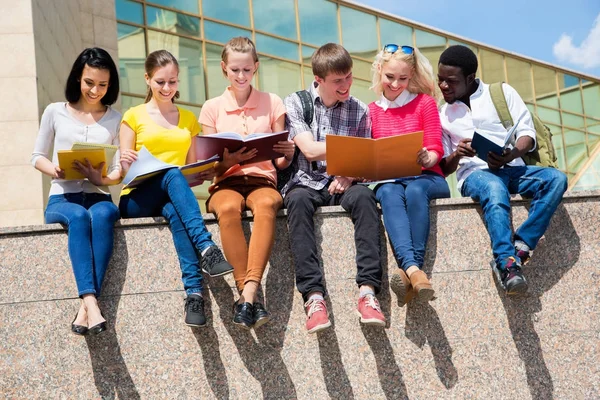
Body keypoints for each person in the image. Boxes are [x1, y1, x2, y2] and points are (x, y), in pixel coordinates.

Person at [437, 45, 568, 295]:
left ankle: (521, 245)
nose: (444, 86)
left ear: (469, 78)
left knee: (556, 179)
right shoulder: (443, 114)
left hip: (513, 168)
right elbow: (443, 168)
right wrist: (457, 154)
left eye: (450, 81)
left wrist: (512, 154)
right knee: (495, 188)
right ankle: (507, 265)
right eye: (440, 79)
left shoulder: (501, 92)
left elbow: (527, 135)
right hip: (475, 175)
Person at [119, 49, 233, 327]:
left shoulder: (188, 120)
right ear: (147, 79)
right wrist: (125, 159)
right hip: (137, 198)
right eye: (160, 82)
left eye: (172, 81)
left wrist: (205, 172)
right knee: (170, 173)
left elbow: (189, 173)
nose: (167, 88)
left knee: (176, 210)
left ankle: (194, 295)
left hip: (173, 196)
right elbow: (124, 172)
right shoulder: (132, 116)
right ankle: (207, 247)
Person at [282, 43, 385, 333]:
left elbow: (366, 163)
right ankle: (314, 298)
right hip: (305, 182)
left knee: (365, 198)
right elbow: (310, 150)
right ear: (319, 80)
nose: (346, 85)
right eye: (338, 81)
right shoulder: (296, 102)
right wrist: (349, 152)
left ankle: (368, 292)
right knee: (297, 202)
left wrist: (351, 175)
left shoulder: (360, 110)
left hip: (343, 183)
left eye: (349, 77)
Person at [199, 37, 294, 330]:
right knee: (227, 209)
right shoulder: (211, 107)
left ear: (256, 67)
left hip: (262, 180)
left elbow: (279, 162)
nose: (241, 77)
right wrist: (230, 161)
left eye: (247, 70)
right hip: (226, 182)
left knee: (267, 204)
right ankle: (250, 294)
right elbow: (209, 169)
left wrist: (287, 155)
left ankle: (247, 295)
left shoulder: (273, 102)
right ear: (224, 68)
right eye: (235, 70)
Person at [31, 48, 122, 336]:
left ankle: (86, 308)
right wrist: (54, 170)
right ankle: (92, 302)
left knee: (106, 212)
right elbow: (36, 156)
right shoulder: (55, 111)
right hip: (63, 197)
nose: (95, 90)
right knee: (80, 217)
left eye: (103, 85)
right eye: (89, 83)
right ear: (78, 79)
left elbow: (118, 171)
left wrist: (101, 177)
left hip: (98, 194)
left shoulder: (115, 118)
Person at [368, 44, 450, 306]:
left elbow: (436, 148)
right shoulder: (369, 111)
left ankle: (409, 268)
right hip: (390, 181)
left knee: (414, 191)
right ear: (380, 70)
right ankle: (415, 274)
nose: (395, 84)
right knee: (389, 192)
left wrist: (428, 157)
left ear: (412, 75)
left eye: (403, 78)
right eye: (390, 77)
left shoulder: (424, 104)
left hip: (427, 179)